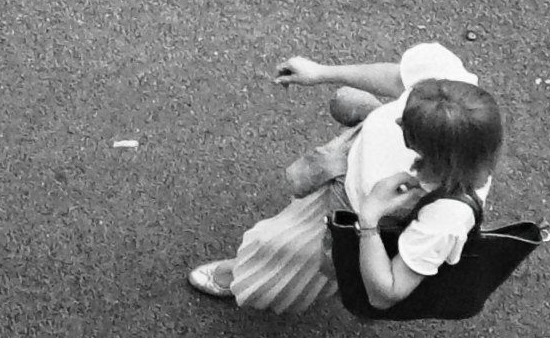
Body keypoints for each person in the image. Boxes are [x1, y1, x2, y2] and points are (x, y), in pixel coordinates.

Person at [189, 40, 503, 313]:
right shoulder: (450, 91)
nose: (396, 115)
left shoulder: (447, 215)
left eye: (407, 127)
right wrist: (321, 73)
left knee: (284, 249)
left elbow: (386, 294)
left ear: (432, 154)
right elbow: (399, 78)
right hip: (355, 167)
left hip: (358, 209)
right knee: (347, 102)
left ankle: (247, 274)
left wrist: (368, 220)